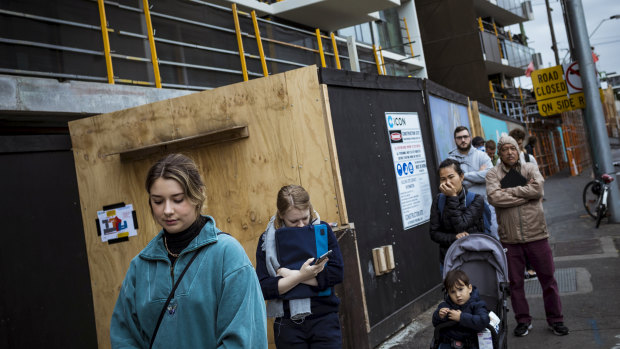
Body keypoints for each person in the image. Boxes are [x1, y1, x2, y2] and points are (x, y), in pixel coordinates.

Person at [110, 154, 268, 348]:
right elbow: (123, 337)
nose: (167, 210)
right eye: (158, 201)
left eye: (177, 199)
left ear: (198, 194)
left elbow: (245, 339)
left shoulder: (228, 255)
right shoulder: (140, 266)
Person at [486, 136, 569, 337]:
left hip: (537, 234)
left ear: (518, 149)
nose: (509, 152)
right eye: (504, 149)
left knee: (548, 279)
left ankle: (556, 320)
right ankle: (523, 321)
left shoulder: (530, 168)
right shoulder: (492, 174)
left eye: (512, 148)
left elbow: (537, 189)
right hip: (510, 239)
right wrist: (525, 193)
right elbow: (494, 197)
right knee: (515, 284)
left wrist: (510, 192)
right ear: (500, 153)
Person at [256, 185, 344, 348]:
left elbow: (336, 273)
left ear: (310, 209)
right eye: (294, 221)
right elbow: (263, 287)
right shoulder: (267, 241)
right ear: (281, 215)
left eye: (305, 217)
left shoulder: (322, 231)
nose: (302, 225)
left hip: (324, 319)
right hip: (288, 324)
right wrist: (304, 275)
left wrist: (290, 275)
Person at [430, 159, 485, 273]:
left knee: (473, 290)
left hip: (473, 258)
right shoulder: (438, 200)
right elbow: (434, 233)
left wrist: (453, 197)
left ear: (461, 177)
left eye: (451, 177)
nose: (447, 182)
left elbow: (461, 225)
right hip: (449, 259)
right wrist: (454, 238)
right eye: (443, 179)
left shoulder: (476, 199)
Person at [448, 126, 498, 239]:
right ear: (455, 140)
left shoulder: (482, 155)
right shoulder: (451, 160)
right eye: (459, 138)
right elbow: (453, 184)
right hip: (464, 209)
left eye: (465, 137)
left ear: (470, 138)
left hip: (486, 205)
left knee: (492, 238)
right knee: (471, 243)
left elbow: (490, 175)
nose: (463, 140)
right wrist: (479, 175)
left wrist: (463, 176)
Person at [432, 270, 490, 349]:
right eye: (453, 292)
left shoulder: (477, 304)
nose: (458, 295)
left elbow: (484, 320)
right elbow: (435, 322)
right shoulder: (446, 305)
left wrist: (461, 317)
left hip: (471, 342)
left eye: (460, 289)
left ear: (469, 288)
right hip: (449, 341)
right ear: (448, 293)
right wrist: (439, 316)